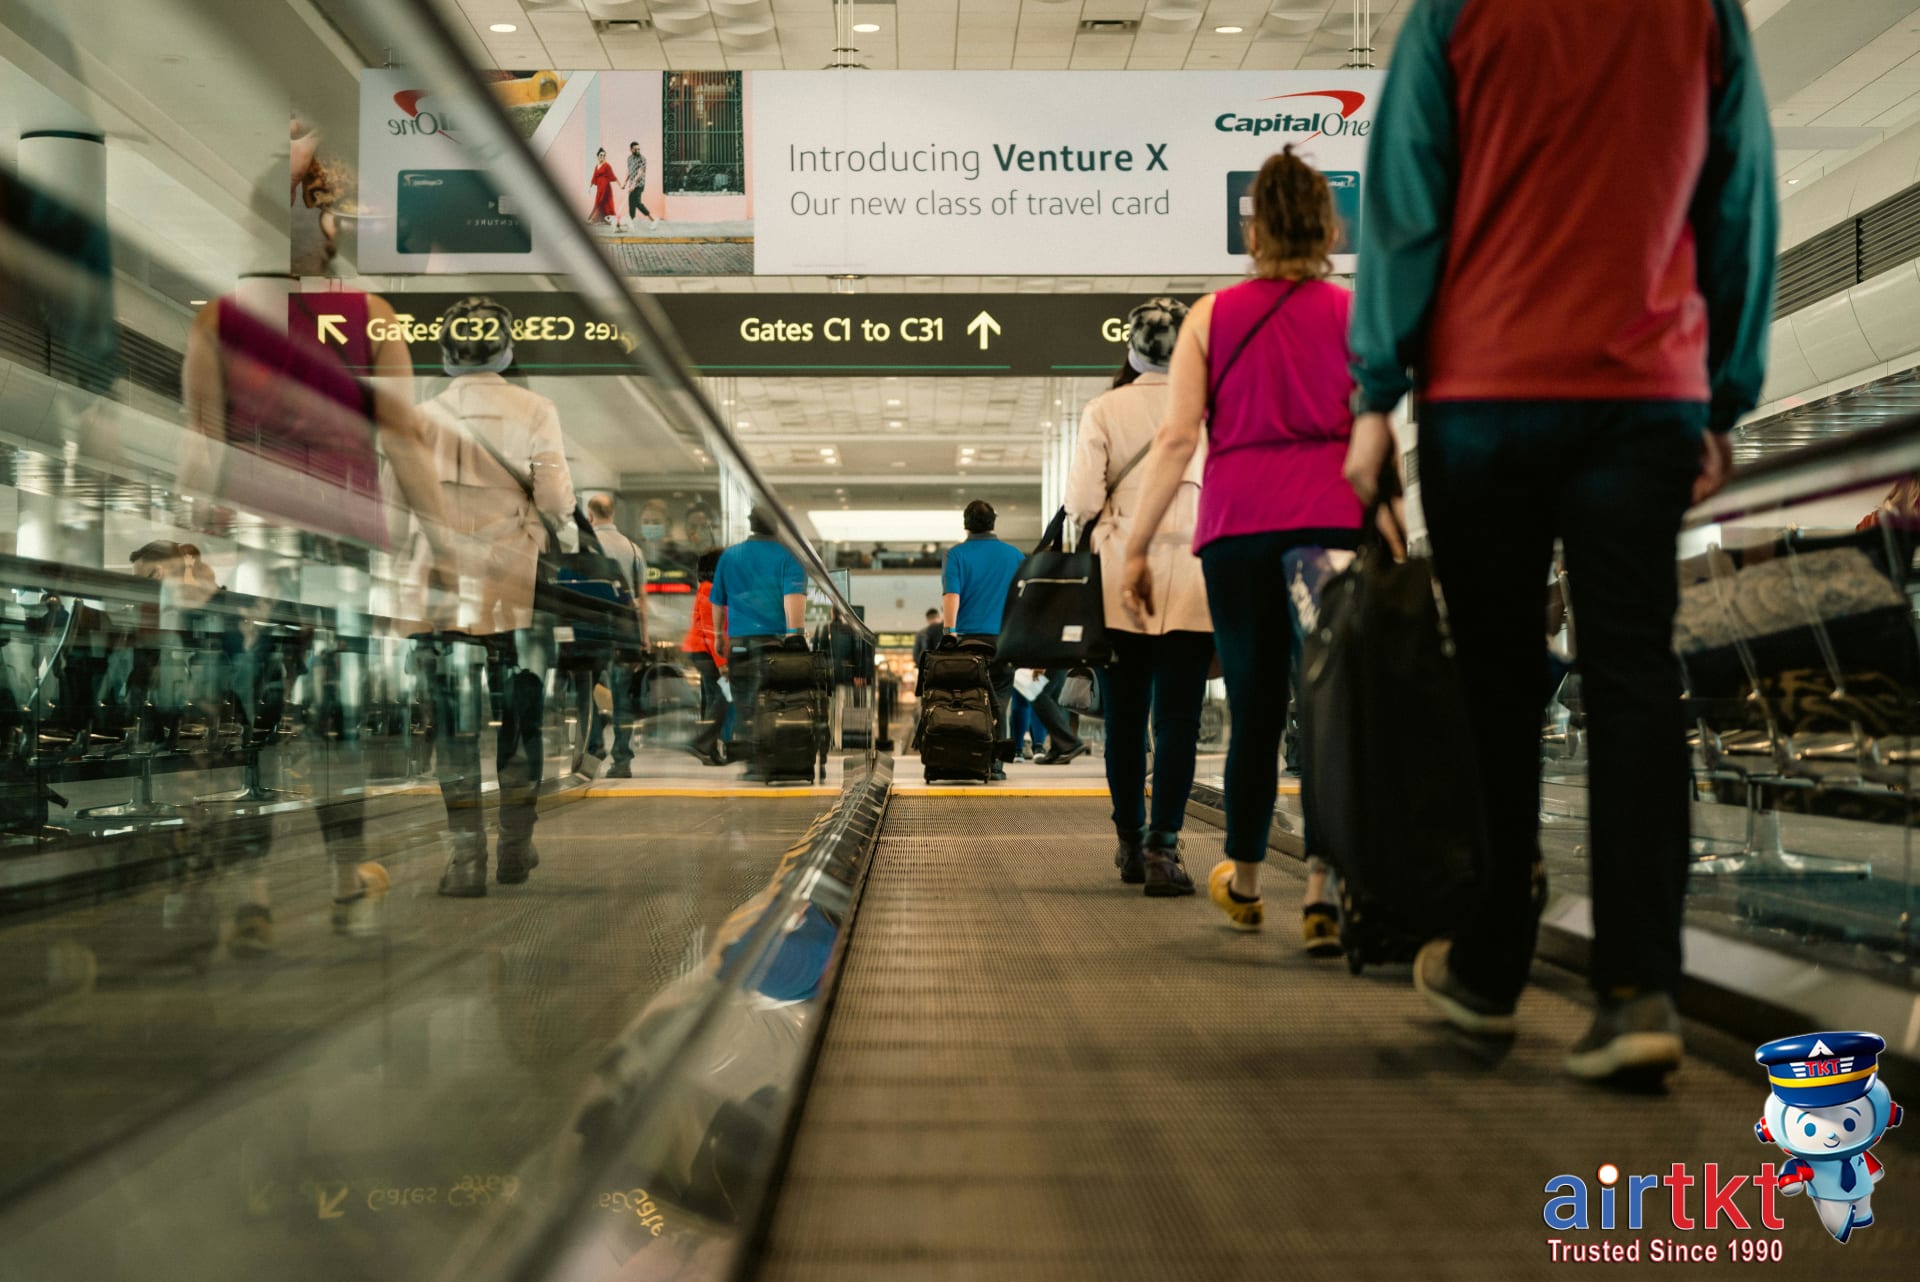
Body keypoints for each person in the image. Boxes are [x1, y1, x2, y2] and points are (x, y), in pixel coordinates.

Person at [1344, 0, 1775, 1079]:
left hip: (1484, 391)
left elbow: (1406, 195)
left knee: (1496, 683)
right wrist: (1723, 395)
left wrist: (1375, 392)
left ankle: (1492, 961)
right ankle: (1639, 988)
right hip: (1643, 392)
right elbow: (1741, 199)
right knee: (1631, 673)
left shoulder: (1456, 10)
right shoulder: (1700, 11)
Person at [1122, 149, 1363, 946]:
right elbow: (1376, 430)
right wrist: (1388, 527)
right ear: (1329, 226)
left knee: (1257, 708)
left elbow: (1175, 438)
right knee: (1330, 708)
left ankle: (1250, 880)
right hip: (1331, 524)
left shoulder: (1213, 316)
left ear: (1253, 229)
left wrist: (1136, 547)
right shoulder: (1352, 312)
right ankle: (1326, 882)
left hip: (1237, 530)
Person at [414, 296, 577, 896]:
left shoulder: (424, 414)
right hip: (514, 587)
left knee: (453, 728)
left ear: (448, 352)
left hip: (442, 593)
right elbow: (557, 498)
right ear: (506, 349)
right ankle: (515, 847)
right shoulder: (536, 407)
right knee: (521, 718)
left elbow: (395, 500)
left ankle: (465, 862)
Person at [1066, 297, 1211, 897]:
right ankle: (1164, 848)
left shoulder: (1104, 409)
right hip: (1195, 576)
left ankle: (1129, 839)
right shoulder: (1209, 413)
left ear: (1130, 348)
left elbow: (1079, 503)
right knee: (1179, 718)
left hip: (1122, 575)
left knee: (1125, 718)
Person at [710, 509, 807, 775]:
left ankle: (752, 762)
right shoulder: (789, 555)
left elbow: (717, 600)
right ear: (776, 527)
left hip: (739, 642)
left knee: (744, 703)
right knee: (772, 701)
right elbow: (793, 596)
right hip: (773, 644)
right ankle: (771, 758)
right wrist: (794, 634)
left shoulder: (730, 555)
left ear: (751, 526)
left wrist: (719, 635)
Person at [940, 499, 1025, 780]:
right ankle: (997, 764)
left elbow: (952, 594)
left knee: (972, 699)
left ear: (966, 524)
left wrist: (949, 631)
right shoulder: (1015, 556)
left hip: (969, 642)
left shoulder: (956, 555)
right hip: (1005, 639)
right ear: (994, 523)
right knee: (1001, 698)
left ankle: (971, 757)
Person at [584, 494, 648, 779]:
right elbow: (642, 599)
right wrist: (643, 636)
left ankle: (593, 745)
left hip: (591, 628)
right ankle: (622, 760)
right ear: (613, 514)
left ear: (590, 515)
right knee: (622, 696)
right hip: (625, 630)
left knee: (585, 689)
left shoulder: (583, 546)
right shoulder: (634, 550)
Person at [682, 548, 729, 767]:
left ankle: (709, 750)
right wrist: (722, 664)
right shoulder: (710, 590)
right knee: (722, 697)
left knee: (712, 698)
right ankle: (701, 742)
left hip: (703, 651)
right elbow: (712, 632)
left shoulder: (708, 588)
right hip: (706, 651)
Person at [621, 140, 660, 231]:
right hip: (631, 185)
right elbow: (629, 171)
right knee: (631, 204)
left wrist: (634, 184)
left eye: (639, 149)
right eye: (636, 149)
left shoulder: (642, 158)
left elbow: (640, 172)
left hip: (639, 185)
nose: (638, 151)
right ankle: (631, 222)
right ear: (631, 149)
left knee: (637, 203)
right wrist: (625, 183)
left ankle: (653, 220)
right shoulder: (629, 158)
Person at [587, 147, 617, 226]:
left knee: (601, 202)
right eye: (601, 155)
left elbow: (612, 176)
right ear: (598, 156)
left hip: (606, 187)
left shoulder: (607, 165)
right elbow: (594, 176)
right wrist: (590, 186)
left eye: (604, 155)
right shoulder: (597, 166)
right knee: (602, 203)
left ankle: (594, 219)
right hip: (599, 187)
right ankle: (606, 220)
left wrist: (620, 184)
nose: (602, 157)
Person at [910, 608, 942, 673]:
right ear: (938, 617)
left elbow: (916, 654)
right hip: (941, 666)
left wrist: (922, 666)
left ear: (927, 620)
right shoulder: (945, 631)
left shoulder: (921, 633)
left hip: (927, 668)